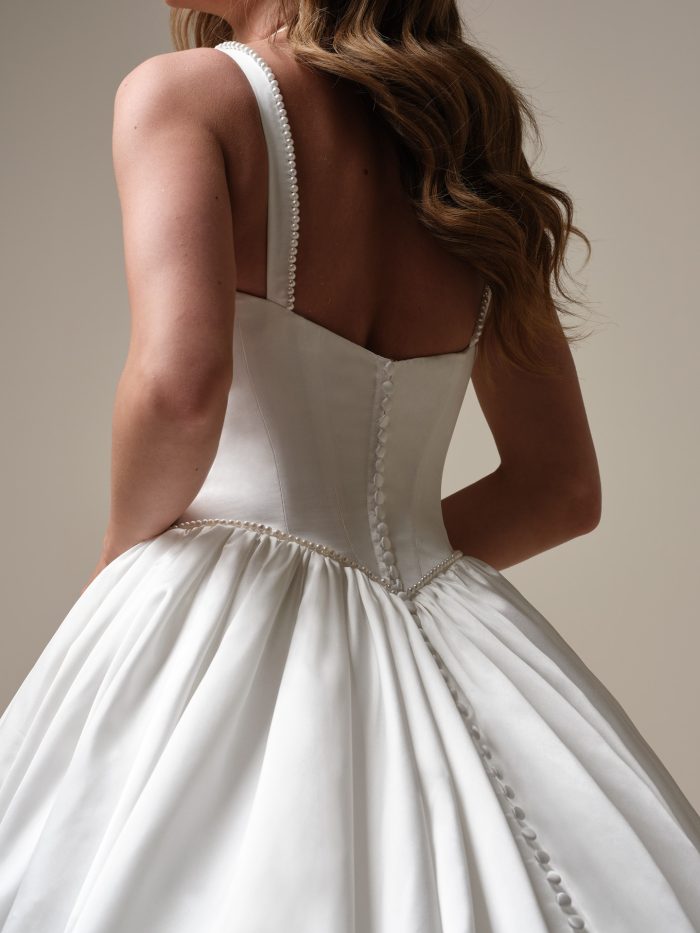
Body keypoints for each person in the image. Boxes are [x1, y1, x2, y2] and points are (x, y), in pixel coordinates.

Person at [1, 2, 699, 930]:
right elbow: (560, 487)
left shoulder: (185, 97)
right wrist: (391, 563)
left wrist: (121, 558)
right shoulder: (465, 146)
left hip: (217, 606)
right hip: (440, 613)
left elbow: (179, 388)